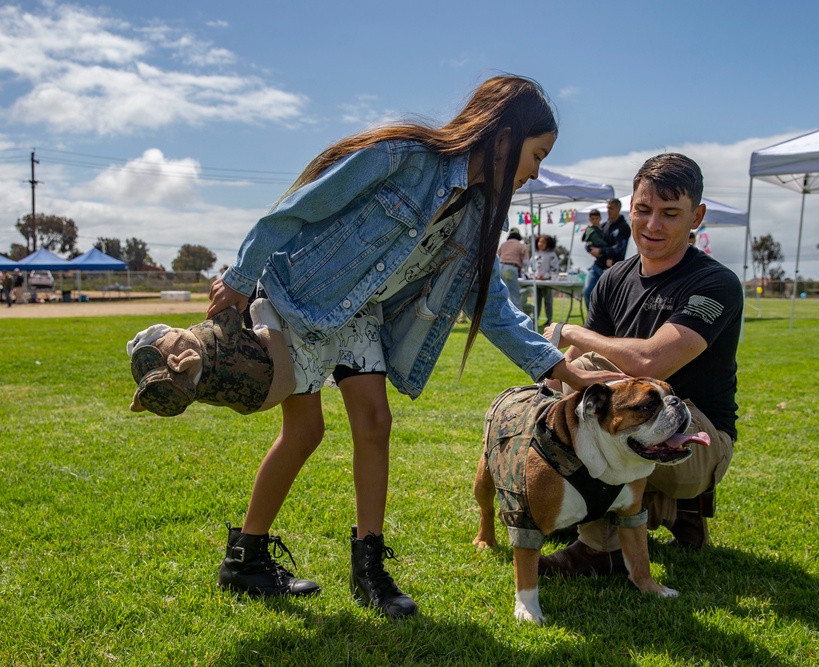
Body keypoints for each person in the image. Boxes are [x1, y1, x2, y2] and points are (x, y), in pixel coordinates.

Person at [204, 75, 623, 616]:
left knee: (375, 423)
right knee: (306, 430)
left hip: (360, 315)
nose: (535, 172)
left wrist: (568, 374)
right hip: (300, 297)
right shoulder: (402, 158)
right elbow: (297, 210)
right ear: (503, 136)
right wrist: (241, 276)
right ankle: (246, 558)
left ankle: (369, 569)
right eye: (536, 154)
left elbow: (495, 312)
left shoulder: (479, 217)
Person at [538, 153, 741, 576]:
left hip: (698, 440)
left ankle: (601, 548)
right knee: (568, 384)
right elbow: (568, 367)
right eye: (644, 210)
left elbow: (652, 360)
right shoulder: (614, 279)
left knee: (592, 383)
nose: (652, 225)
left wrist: (571, 331)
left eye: (670, 213)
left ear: (697, 217)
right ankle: (671, 510)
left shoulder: (715, 282)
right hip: (639, 430)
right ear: (630, 208)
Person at [582, 198, 630, 309]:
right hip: (597, 266)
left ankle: (604, 324)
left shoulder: (624, 227)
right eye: (607, 208)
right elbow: (588, 242)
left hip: (615, 269)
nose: (608, 211)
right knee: (588, 291)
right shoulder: (602, 226)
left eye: (611, 208)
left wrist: (601, 251)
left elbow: (619, 249)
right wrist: (591, 250)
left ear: (618, 208)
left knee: (610, 300)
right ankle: (592, 322)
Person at [530, 234, 560, 327]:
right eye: (539, 242)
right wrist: (534, 275)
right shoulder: (535, 254)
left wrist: (545, 276)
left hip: (547, 282)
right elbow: (530, 267)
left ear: (548, 244)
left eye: (543, 242)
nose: (540, 244)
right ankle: (535, 319)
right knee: (537, 300)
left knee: (548, 300)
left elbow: (554, 268)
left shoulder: (551, 255)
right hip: (536, 281)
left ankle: (549, 320)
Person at [497, 228, 530, 312]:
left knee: (500, 295)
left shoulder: (503, 245)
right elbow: (526, 262)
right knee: (514, 297)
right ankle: (519, 320)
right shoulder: (521, 246)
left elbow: (497, 257)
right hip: (510, 269)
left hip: (499, 268)